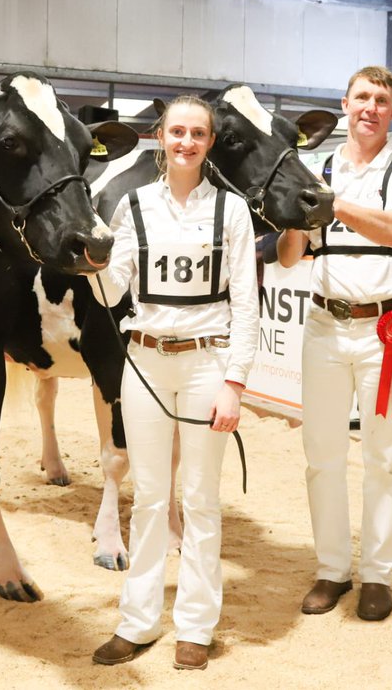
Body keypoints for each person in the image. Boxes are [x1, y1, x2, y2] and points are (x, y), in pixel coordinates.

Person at [88, 95, 259, 672]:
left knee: (201, 499)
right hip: (145, 360)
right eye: (177, 132)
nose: (187, 142)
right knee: (149, 497)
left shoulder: (231, 211)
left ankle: (196, 625)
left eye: (198, 134)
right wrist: (93, 260)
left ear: (210, 142)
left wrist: (235, 383)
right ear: (160, 136)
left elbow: (246, 303)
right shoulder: (133, 205)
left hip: (207, 363)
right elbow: (113, 291)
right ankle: (138, 621)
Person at [274, 66, 392, 621]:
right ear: (344, 104)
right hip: (324, 324)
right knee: (322, 453)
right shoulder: (316, 167)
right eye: (362, 97)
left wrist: (326, 201)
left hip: (386, 330)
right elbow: (289, 258)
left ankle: (377, 575)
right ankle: (333, 569)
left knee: (384, 455)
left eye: (381, 100)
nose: (370, 107)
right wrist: (296, 213)